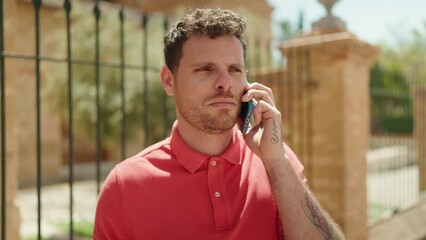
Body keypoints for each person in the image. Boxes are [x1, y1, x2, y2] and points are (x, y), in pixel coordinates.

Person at [93, 8, 344, 240]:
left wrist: (277, 162)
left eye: (235, 69)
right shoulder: (124, 186)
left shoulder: (278, 160)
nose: (225, 82)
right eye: (205, 69)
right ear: (169, 80)